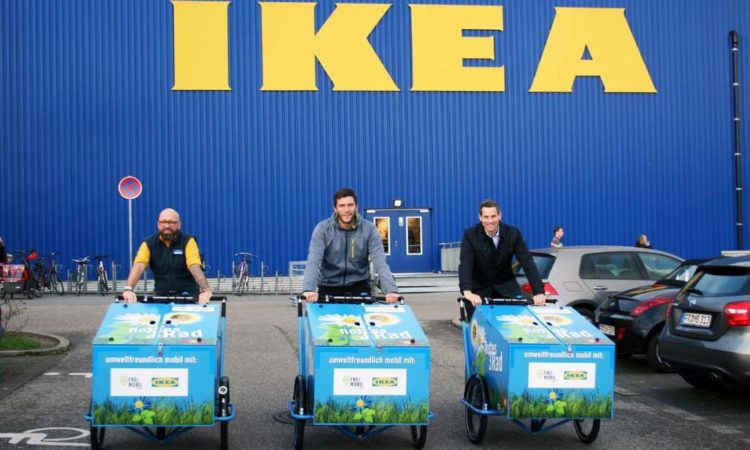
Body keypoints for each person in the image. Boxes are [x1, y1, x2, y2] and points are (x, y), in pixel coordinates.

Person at [302, 188, 400, 304]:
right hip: (328, 286)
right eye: (342, 206)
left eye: (350, 205)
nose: (346, 210)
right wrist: (308, 289)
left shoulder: (369, 229)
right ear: (335, 208)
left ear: (356, 207)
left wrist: (391, 289)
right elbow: (314, 260)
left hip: (359, 286)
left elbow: (380, 261)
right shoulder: (323, 229)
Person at [459, 200, 546, 319]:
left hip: (506, 288)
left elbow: (527, 262)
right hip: (479, 290)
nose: (490, 221)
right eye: (486, 217)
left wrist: (538, 291)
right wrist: (467, 291)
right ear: (480, 217)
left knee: (515, 323)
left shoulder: (513, 234)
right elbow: (466, 264)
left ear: (499, 215)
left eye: (493, 216)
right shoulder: (471, 235)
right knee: (478, 325)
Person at [122, 208, 213, 304]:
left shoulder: (188, 241)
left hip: (188, 298)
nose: (167, 226)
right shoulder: (149, 243)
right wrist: (129, 289)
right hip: (161, 298)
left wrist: (205, 290)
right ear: (158, 224)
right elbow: (139, 265)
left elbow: (194, 265)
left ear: (179, 224)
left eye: (172, 222)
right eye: (163, 222)